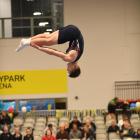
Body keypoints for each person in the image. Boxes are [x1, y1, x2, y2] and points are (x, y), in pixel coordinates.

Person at [15, 25, 84, 78]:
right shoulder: (70, 58)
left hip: (73, 29)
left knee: (47, 37)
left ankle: (27, 40)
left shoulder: (76, 58)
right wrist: (39, 48)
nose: (67, 69)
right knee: (48, 41)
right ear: (74, 68)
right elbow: (53, 52)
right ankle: (27, 42)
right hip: (72, 33)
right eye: (69, 70)